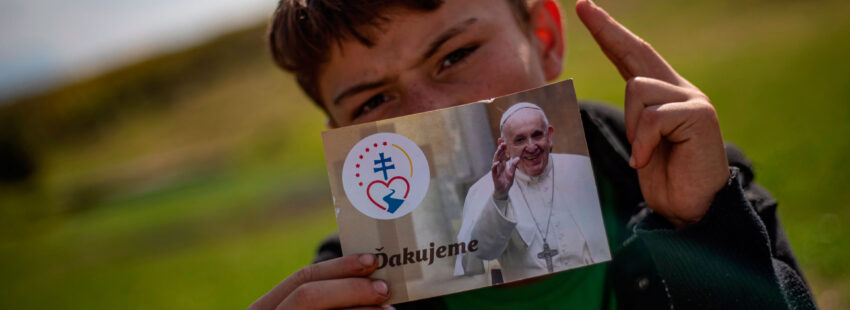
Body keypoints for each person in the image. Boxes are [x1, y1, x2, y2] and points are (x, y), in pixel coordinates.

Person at [249, 0, 817, 309]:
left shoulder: (702, 190)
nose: (423, 115)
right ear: (343, 135)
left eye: (456, 55)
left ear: (543, 38)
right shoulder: (352, 292)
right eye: (373, 100)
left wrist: (707, 234)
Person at [454, 102, 610, 282]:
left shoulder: (584, 169)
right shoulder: (482, 190)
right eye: (520, 140)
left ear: (549, 135)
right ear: (504, 145)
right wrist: (500, 197)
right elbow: (477, 257)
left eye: (537, 135)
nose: (531, 146)